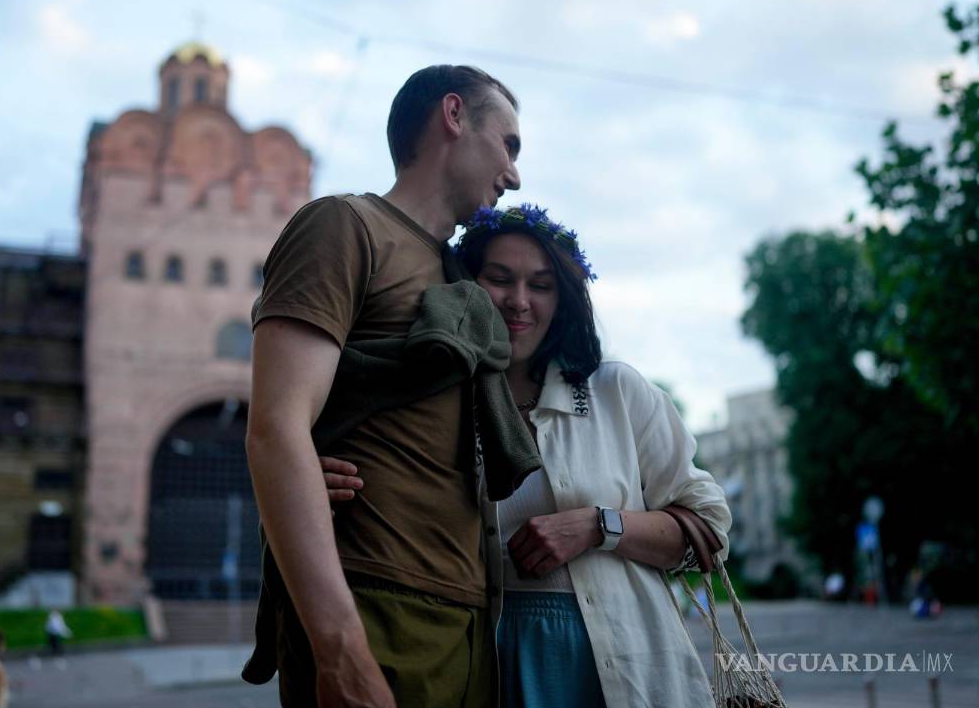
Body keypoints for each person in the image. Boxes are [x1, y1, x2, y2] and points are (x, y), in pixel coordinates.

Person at [326, 204, 732, 708]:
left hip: (630, 668)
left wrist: (595, 526)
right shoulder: (434, 407)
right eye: (500, 279)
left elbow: (710, 528)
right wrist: (318, 481)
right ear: (467, 284)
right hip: (487, 664)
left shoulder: (616, 392)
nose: (519, 302)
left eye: (541, 285)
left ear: (562, 299)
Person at [244, 64, 524, 708]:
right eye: (508, 144)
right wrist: (341, 651)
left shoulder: (463, 276)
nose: (514, 174)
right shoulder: (344, 225)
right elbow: (274, 428)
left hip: (469, 619)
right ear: (453, 116)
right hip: (374, 606)